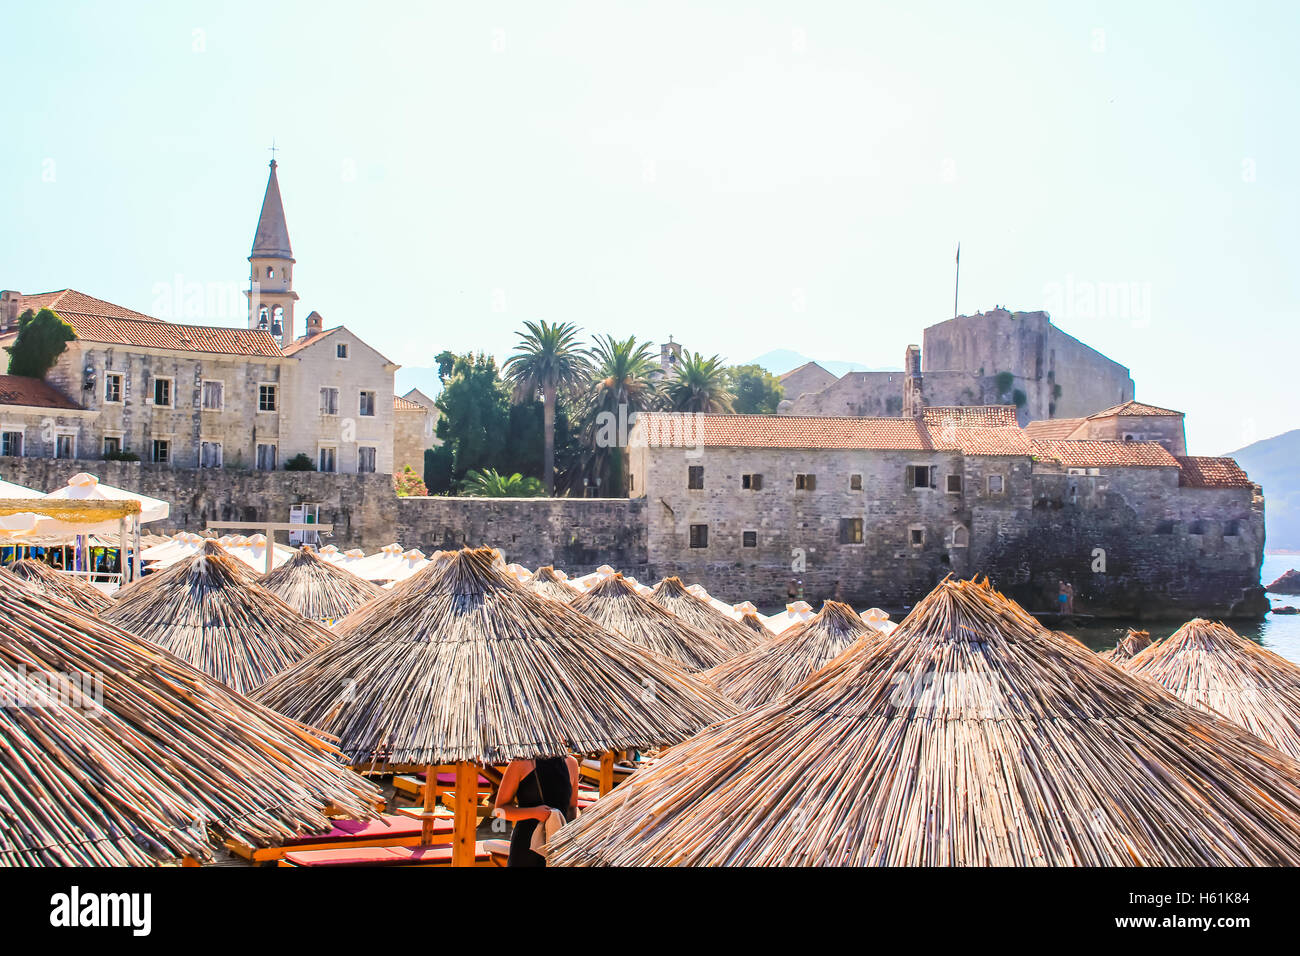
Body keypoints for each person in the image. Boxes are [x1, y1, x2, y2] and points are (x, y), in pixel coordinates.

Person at [492, 754, 579, 867]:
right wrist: (534, 813)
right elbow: (500, 809)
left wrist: (569, 839)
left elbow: (572, 808)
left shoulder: (571, 763)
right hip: (526, 847)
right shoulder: (521, 763)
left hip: (558, 846)